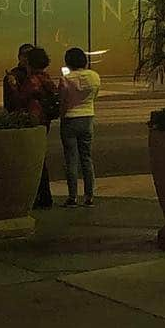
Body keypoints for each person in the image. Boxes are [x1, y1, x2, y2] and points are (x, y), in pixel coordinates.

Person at [6, 45, 59, 209]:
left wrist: (13, 85)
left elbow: (19, 100)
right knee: (40, 158)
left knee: (34, 160)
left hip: (34, 120)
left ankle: (39, 197)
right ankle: (45, 196)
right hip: (44, 121)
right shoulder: (46, 78)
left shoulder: (32, 80)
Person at [59, 46, 101, 208]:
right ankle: (89, 195)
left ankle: (72, 197)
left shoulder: (66, 79)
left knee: (71, 159)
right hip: (88, 117)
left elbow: (62, 101)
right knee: (87, 158)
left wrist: (62, 115)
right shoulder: (95, 77)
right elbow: (94, 96)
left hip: (70, 118)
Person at [2, 41, 34, 114]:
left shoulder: (39, 74)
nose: (27, 59)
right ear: (19, 57)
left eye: (30, 56)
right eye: (25, 56)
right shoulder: (14, 75)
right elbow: (10, 102)